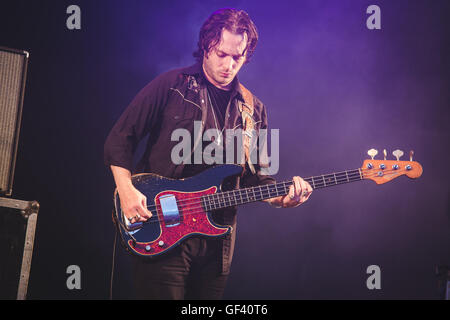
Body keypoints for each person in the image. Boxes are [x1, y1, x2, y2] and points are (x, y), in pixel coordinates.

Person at [104, 8, 313, 300]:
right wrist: (125, 191)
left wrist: (283, 198)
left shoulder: (254, 110)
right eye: (221, 54)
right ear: (206, 46)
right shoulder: (172, 86)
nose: (228, 64)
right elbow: (119, 139)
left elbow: (257, 178)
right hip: (164, 228)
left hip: (218, 243)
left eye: (237, 57)